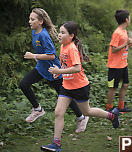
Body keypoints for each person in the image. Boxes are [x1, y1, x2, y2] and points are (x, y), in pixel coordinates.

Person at [40, 21, 119, 152]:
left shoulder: (71, 48)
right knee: (58, 112)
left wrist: (59, 72)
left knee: (86, 112)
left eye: (62, 33)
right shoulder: (63, 47)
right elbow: (65, 65)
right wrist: (58, 72)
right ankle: (56, 144)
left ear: (71, 36)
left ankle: (111, 116)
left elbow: (77, 68)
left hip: (80, 87)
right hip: (66, 86)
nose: (59, 35)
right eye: (59, 32)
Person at [19, 8, 89, 133]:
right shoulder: (35, 32)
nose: (29, 21)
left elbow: (51, 55)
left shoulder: (43, 35)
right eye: (29, 19)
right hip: (41, 69)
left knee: (65, 97)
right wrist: (38, 58)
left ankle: (82, 117)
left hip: (54, 71)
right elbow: (43, 52)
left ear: (40, 21)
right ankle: (37, 109)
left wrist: (34, 56)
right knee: (23, 84)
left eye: (32, 19)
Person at [106, 9, 132, 113]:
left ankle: (121, 107)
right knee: (113, 87)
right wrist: (126, 44)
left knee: (125, 85)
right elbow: (113, 49)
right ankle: (109, 108)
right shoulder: (117, 33)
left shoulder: (124, 31)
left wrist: (130, 43)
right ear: (126, 19)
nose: (130, 19)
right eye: (129, 17)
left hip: (123, 64)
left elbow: (124, 46)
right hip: (115, 66)